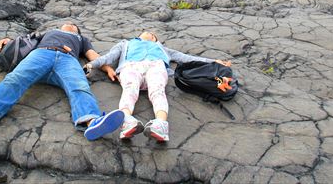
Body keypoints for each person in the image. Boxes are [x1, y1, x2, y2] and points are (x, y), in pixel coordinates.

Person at [0, 22, 124, 141]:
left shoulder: (81, 39)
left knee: (79, 86)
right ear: (60, 27)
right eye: (66, 24)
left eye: (73, 25)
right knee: (16, 78)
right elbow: (25, 41)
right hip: (41, 54)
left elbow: (92, 55)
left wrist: (107, 68)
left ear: (76, 30)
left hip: (67, 60)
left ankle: (92, 122)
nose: (69, 24)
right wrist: (7, 41)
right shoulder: (48, 32)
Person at [84, 31, 231, 142]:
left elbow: (186, 58)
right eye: (145, 32)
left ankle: (160, 125)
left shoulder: (163, 48)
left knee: (158, 91)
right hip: (131, 66)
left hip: (156, 66)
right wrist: (91, 64)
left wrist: (213, 62)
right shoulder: (125, 43)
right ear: (138, 36)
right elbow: (109, 57)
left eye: (152, 34)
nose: (148, 33)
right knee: (129, 90)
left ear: (155, 39)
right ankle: (127, 121)